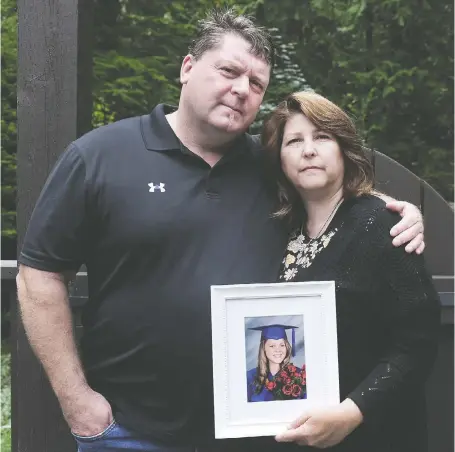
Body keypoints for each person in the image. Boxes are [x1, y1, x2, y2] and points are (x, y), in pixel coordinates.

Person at [16, 9, 426, 452]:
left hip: (255, 432)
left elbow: (330, 201)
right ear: (187, 68)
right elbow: (38, 275)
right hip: (129, 430)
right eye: (229, 71)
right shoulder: (98, 157)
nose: (241, 90)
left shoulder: (272, 171)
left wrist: (393, 211)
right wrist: (78, 401)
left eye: (256, 84)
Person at [256, 91, 439, 451]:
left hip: (373, 436)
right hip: (291, 434)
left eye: (322, 137)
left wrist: (353, 411)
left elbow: (417, 343)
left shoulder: (383, 225)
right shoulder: (277, 231)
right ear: (279, 158)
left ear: (344, 149)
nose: (308, 150)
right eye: (294, 141)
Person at [246, 324, 306, 403]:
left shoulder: (299, 376)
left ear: (286, 347)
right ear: (263, 349)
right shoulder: (250, 377)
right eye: (272, 346)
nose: (278, 350)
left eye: (282, 345)